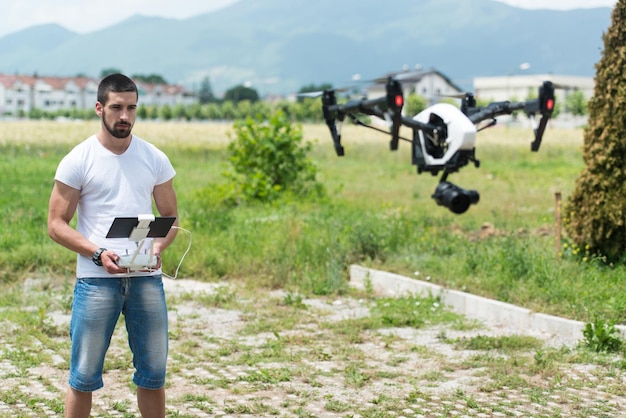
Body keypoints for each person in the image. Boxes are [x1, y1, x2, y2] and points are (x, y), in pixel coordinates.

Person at [47, 73, 178, 418]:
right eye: (117, 108)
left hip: (146, 279)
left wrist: (159, 248)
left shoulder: (154, 158)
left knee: (153, 375)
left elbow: (171, 218)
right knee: (84, 375)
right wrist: (96, 253)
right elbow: (56, 225)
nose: (125, 116)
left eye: (131, 108)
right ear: (99, 108)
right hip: (95, 282)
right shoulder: (78, 159)